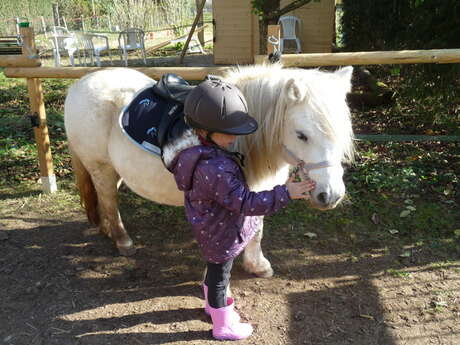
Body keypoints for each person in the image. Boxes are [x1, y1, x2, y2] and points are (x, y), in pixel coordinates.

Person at [167, 78, 315, 341]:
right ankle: (223, 325)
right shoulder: (216, 169)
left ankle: (213, 305)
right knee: (221, 275)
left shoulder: (205, 155)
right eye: (228, 130)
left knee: (215, 273)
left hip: (214, 228)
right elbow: (246, 203)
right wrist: (286, 193)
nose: (236, 136)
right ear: (205, 131)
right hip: (221, 233)